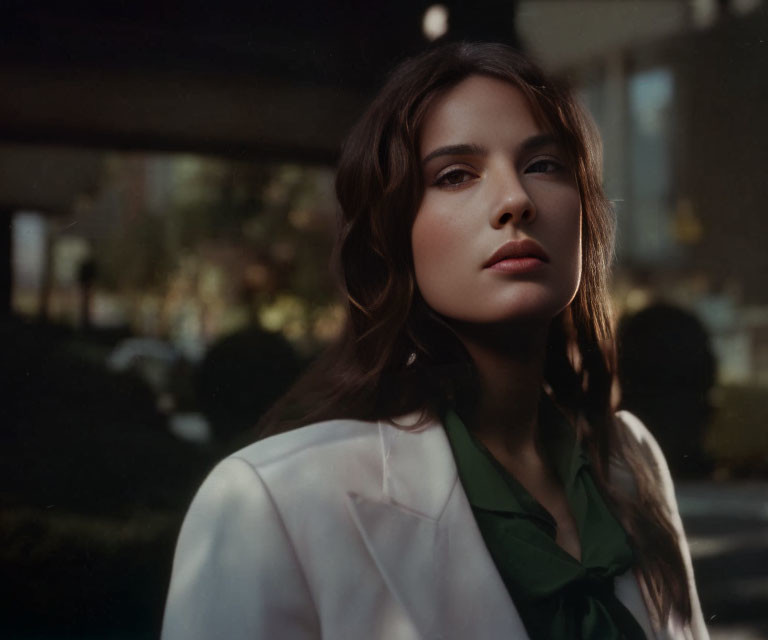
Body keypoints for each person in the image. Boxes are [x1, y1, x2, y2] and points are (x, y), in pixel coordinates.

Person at [161, 42, 708, 640]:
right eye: (455, 175)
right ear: (395, 235)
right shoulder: (270, 500)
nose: (515, 201)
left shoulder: (631, 461)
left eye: (544, 165)